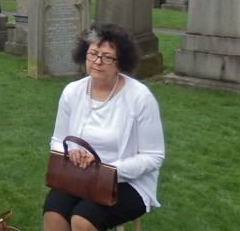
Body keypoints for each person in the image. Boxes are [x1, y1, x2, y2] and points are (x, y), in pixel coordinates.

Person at [43, 22, 164, 231]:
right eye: (92, 54)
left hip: (127, 181)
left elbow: (154, 156)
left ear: (120, 61)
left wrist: (109, 170)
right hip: (79, 175)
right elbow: (57, 140)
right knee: (54, 211)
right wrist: (71, 153)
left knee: (83, 219)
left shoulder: (140, 98)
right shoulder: (72, 92)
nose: (98, 62)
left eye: (107, 57)